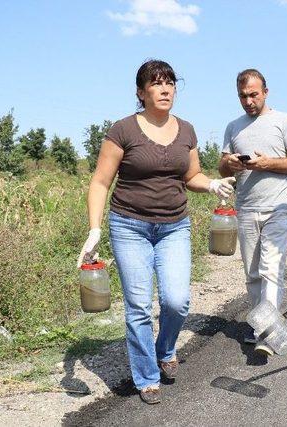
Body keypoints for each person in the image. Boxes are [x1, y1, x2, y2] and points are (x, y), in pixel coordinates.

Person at [77, 59, 235, 405]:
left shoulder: (188, 130)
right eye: (156, 83)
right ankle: (147, 376)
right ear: (141, 92)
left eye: (170, 83)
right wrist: (94, 229)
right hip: (129, 226)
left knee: (176, 301)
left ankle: (166, 348)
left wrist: (212, 185)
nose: (165, 89)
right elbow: (101, 181)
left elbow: (190, 176)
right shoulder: (123, 130)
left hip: (174, 227)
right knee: (138, 305)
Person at [218, 69, 287, 356]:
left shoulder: (284, 120)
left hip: (277, 207)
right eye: (243, 96)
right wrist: (231, 162)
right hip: (246, 208)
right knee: (253, 273)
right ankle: (260, 327)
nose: (248, 101)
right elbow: (221, 167)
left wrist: (267, 163)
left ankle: (268, 333)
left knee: (270, 268)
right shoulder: (233, 126)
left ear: (265, 92)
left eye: (254, 94)